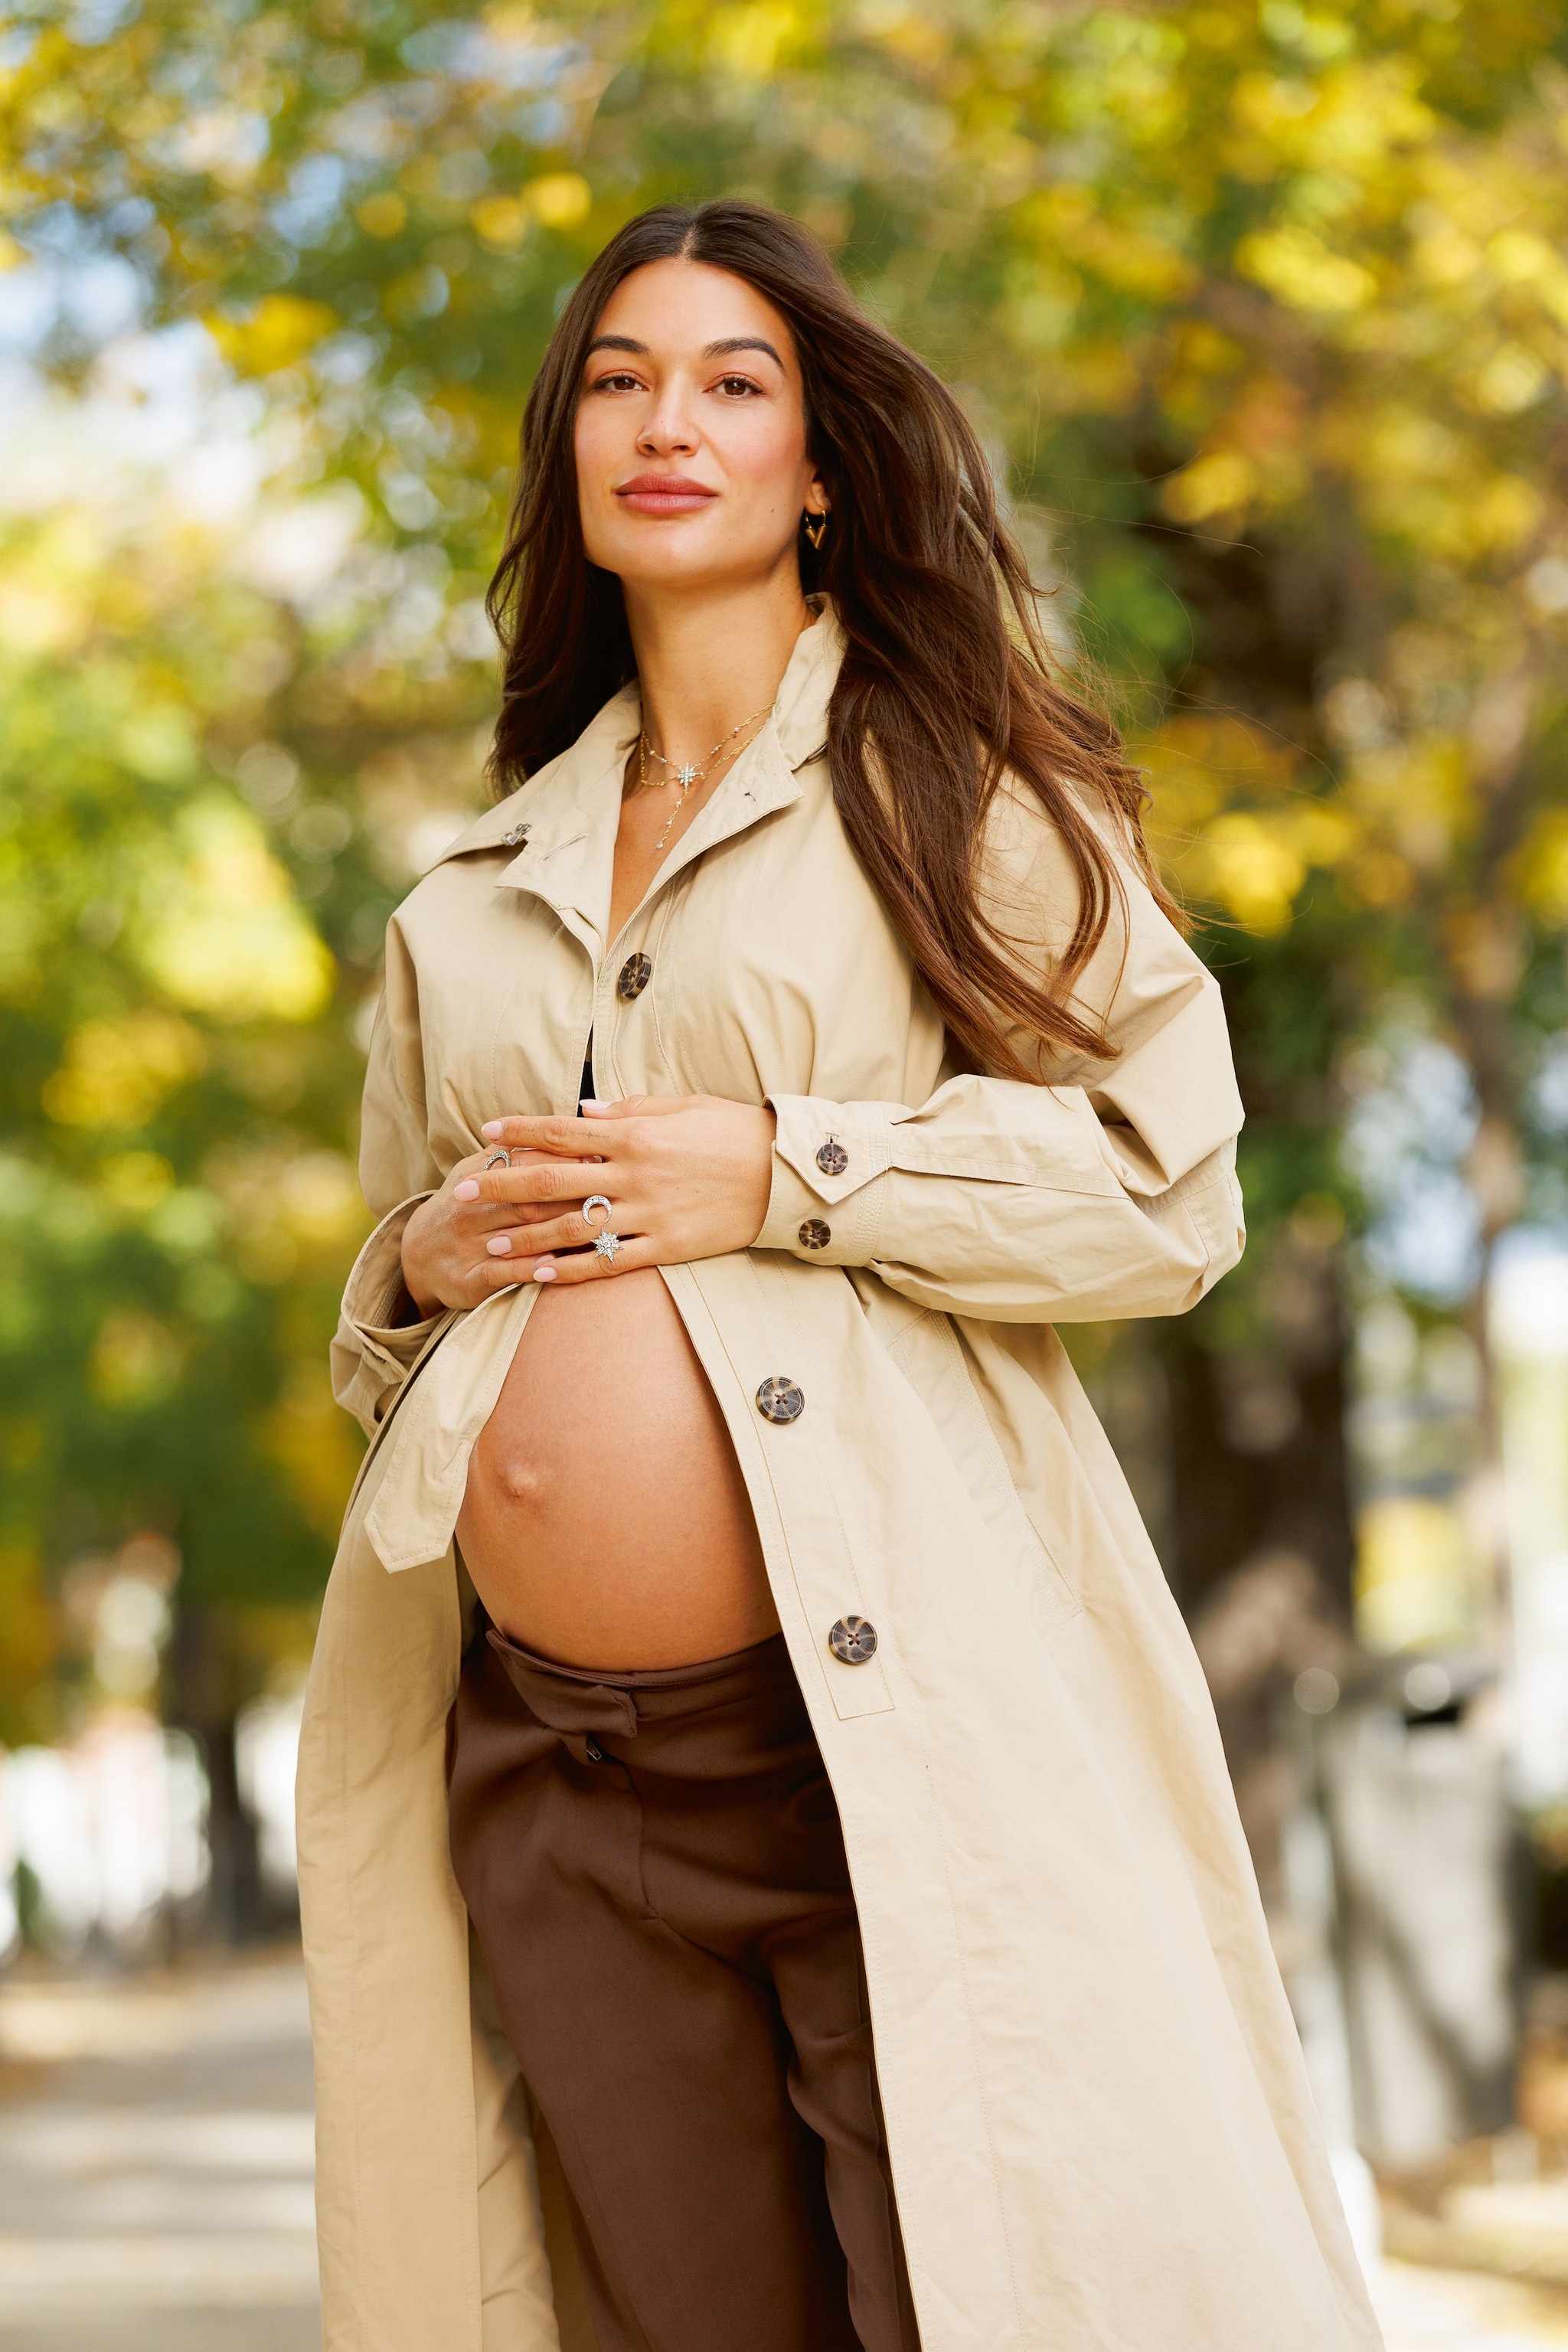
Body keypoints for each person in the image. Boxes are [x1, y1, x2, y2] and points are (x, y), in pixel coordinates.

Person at [301, 201, 1381, 2352]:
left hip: (872, 1733)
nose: (664, 424)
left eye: (731, 381)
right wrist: (416, 1259)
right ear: (569, 458)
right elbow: (385, 1352)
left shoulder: (955, 791)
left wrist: (785, 1165)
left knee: (976, 2303)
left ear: (819, 466)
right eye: (618, 380)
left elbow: (1163, 1193)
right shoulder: (470, 897)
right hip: (545, 1770)